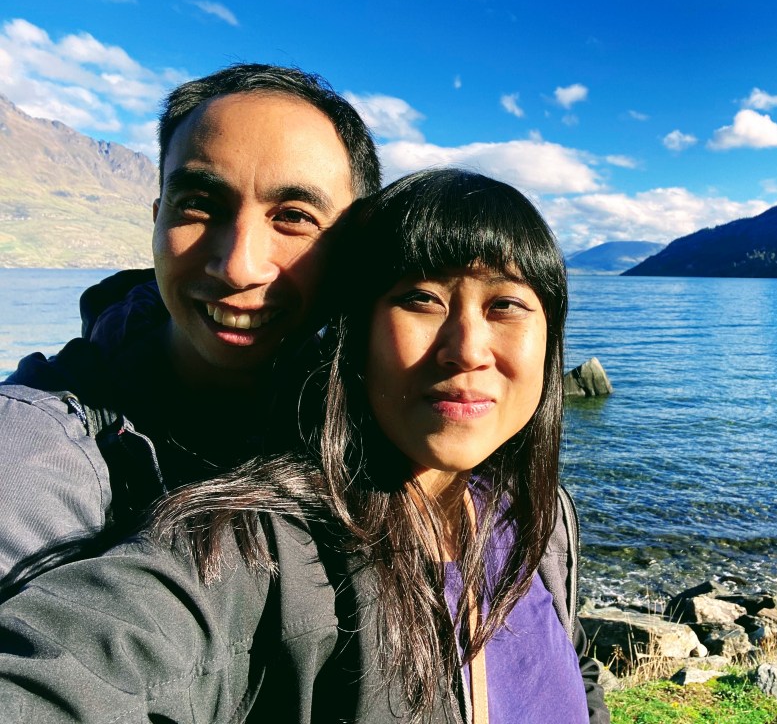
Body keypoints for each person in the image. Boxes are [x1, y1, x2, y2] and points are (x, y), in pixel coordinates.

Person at [0, 169, 609, 724]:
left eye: (506, 305)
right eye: (421, 298)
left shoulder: (538, 513)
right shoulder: (262, 550)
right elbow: (68, 669)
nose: (468, 348)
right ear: (355, 331)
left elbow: (568, 659)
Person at [0, 63, 381, 580]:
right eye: (200, 205)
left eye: (293, 217)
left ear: (351, 251)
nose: (238, 266)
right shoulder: (38, 444)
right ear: (157, 217)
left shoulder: (387, 417)